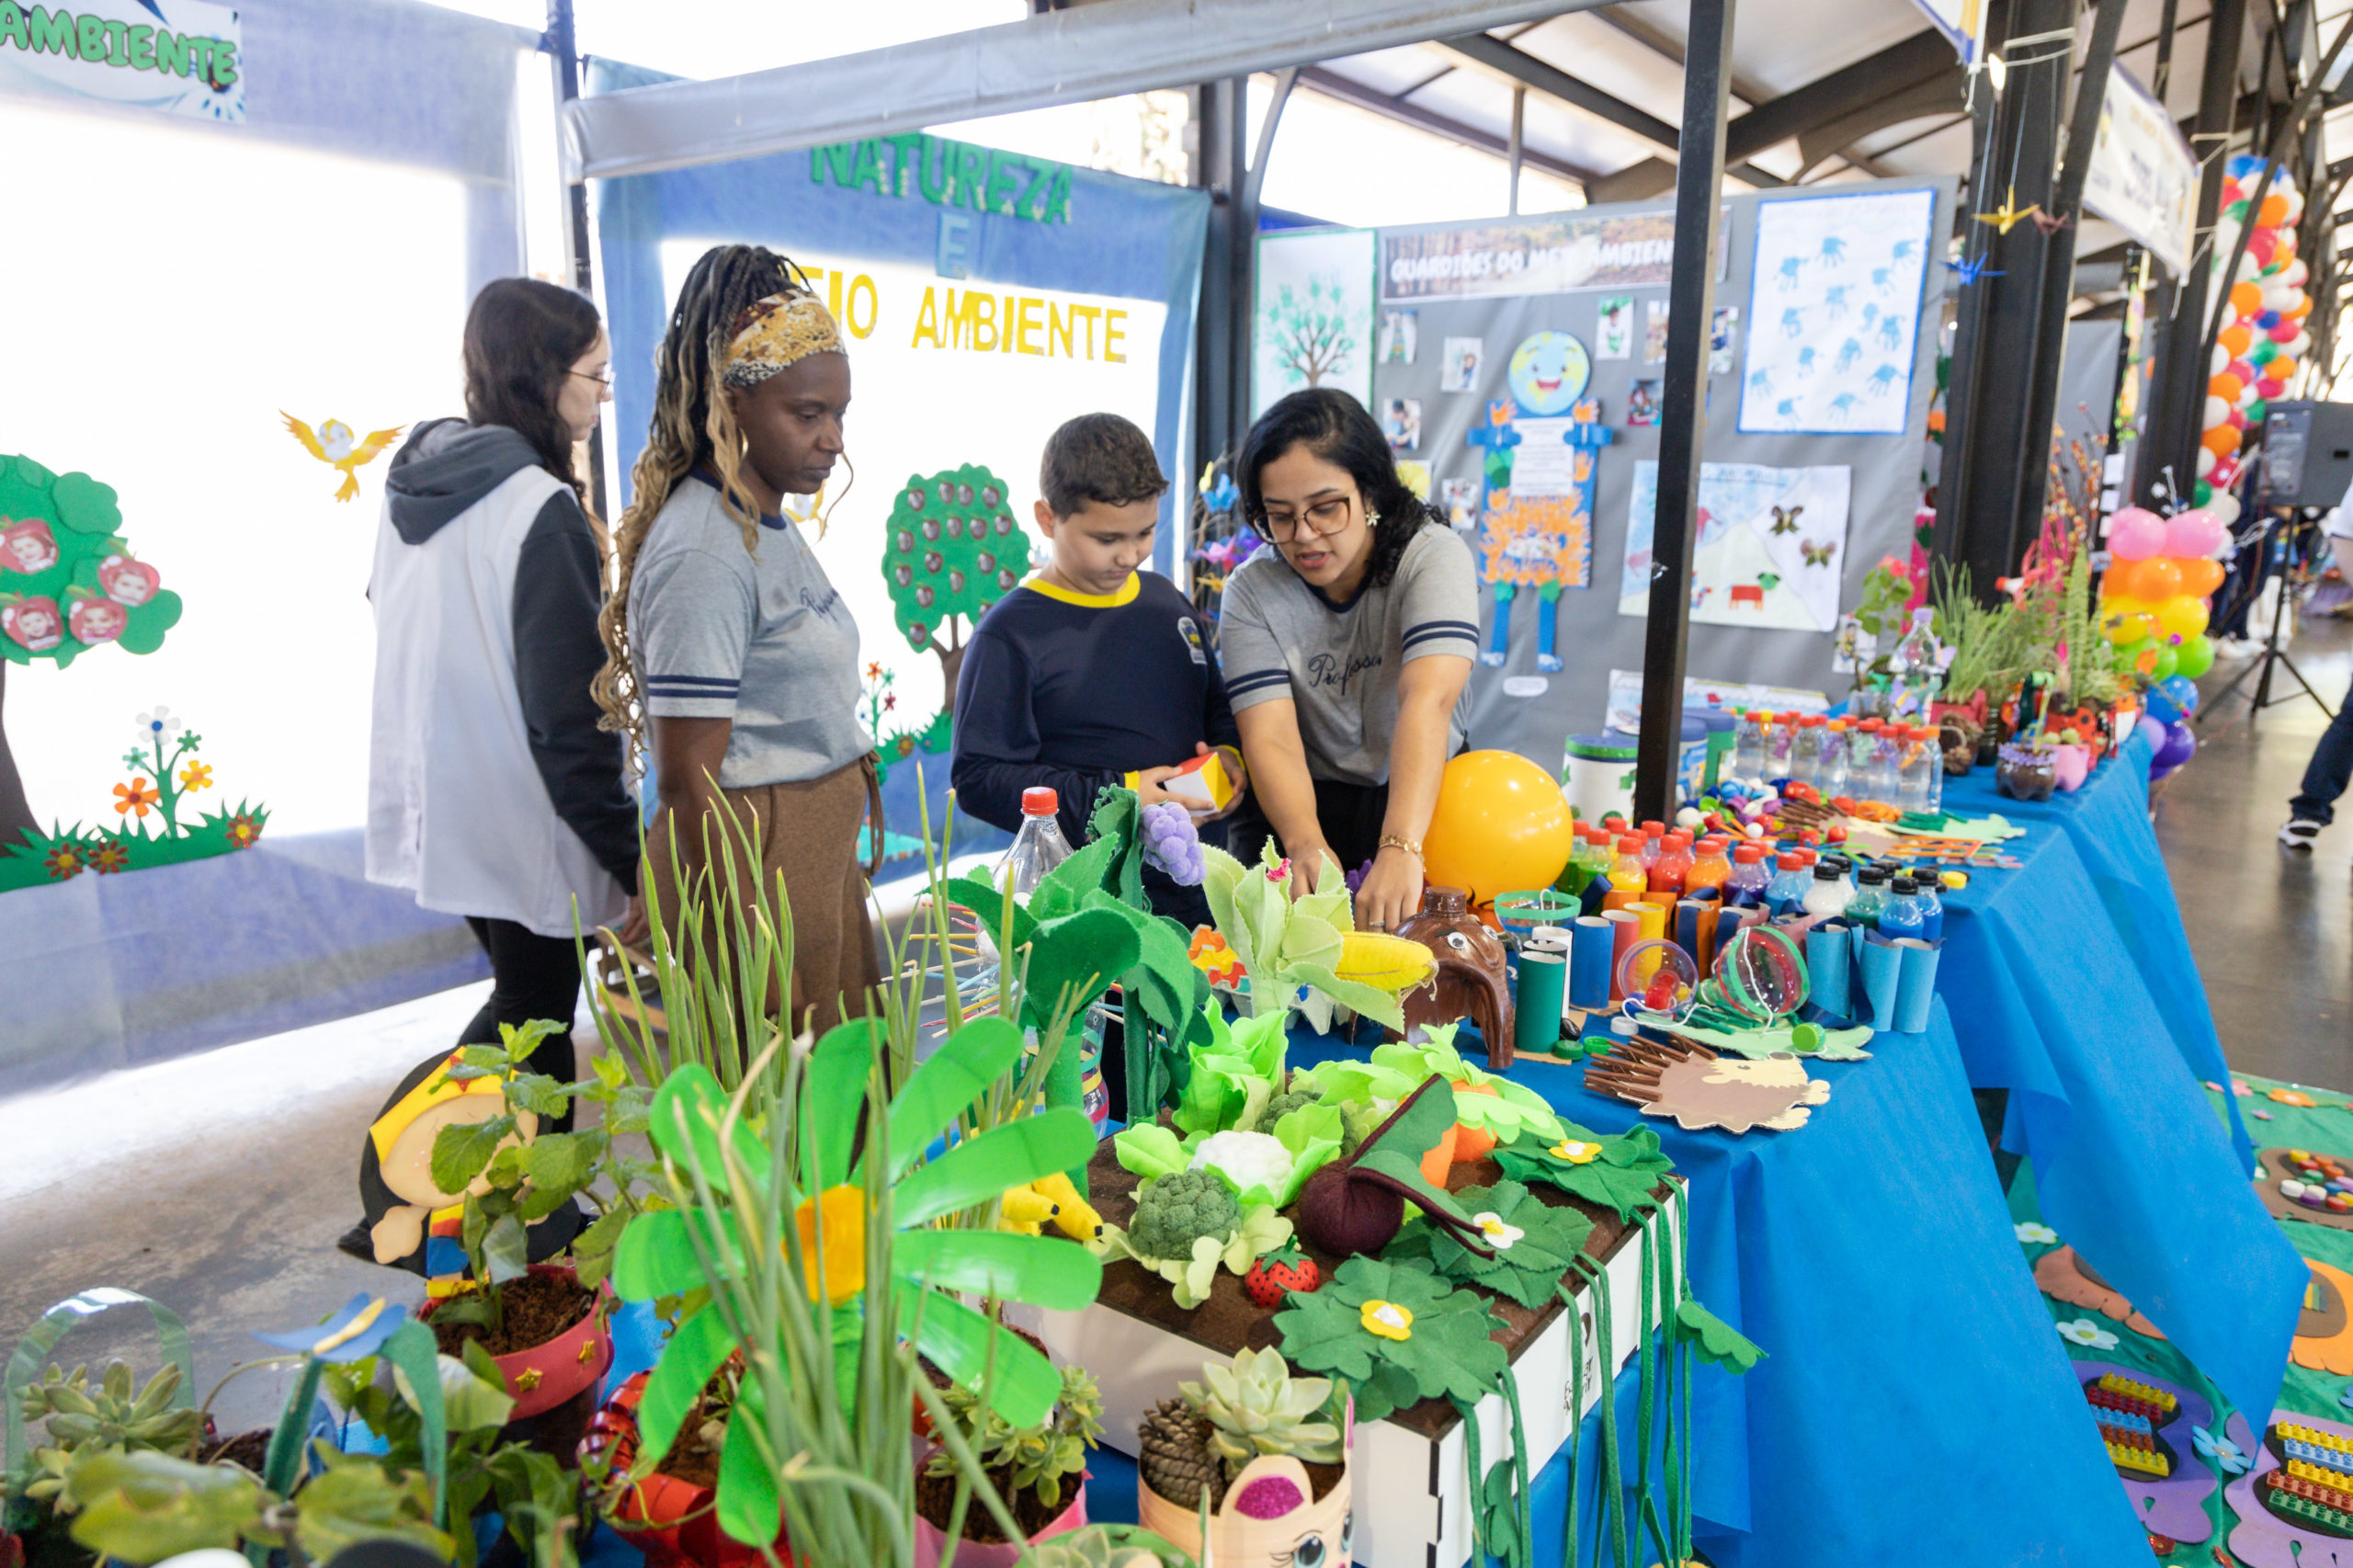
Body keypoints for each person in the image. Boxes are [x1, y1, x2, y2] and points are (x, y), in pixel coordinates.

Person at [365, 277, 641, 1102]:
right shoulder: (536, 505)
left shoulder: (417, 482)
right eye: (595, 374)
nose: (602, 396)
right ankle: (405, 1164)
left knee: (528, 1004)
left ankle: (437, 1171)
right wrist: (630, 854)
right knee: (534, 1013)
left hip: (444, 794)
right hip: (518, 807)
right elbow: (570, 715)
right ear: (542, 376)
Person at [593, 244, 880, 1033]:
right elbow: (689, 784)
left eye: (840, 415)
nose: (833, 440)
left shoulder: (763, 522)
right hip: (754, 876)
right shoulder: (704, 551)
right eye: (808, 415)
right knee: (778, 1095)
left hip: (804, 865)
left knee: (844, 1096)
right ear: (733, 404)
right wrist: (752, 948)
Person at [951, 412, 1241, 926]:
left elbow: (1215, 705)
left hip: (1201, 899)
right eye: (1106, 539)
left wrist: (1228, 756)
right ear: (1047, 519)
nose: (1130, 555)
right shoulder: (1009, 635)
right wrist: (1117, 796)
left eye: (1145, 533)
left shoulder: (1166, 601)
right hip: (1089, 913)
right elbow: (980, 779)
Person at [1217, 388, 1479, 933]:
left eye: (1326, 508)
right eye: (1280, 517)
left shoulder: (1432, 556)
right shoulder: (1251, 590)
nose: (1304, 536)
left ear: (1371, 491)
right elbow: (1270, 735)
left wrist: (1401, 845)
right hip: (1304, 798)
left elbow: (1428, 700)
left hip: (1422, 794)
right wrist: (1304, 842)